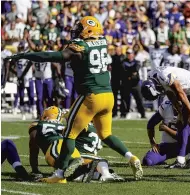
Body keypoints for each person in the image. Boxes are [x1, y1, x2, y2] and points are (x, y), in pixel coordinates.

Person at [6, 16, 143, 183]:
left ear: (88, 30)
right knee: (106, 134)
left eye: (80, 28)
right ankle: (132, 158)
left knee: (69, 135)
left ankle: (59, 175)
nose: (77, 31)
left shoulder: (80, 46)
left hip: (91, 96)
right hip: (109, 96)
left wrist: (28, 56)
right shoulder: (102, 41)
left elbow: (56, 56)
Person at [141, 66, 190, 168]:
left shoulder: (164, 76)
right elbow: (170, 94)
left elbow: (180, 92)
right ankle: (180, 160)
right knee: (184, 124)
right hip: (189, 95)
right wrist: (180, 112)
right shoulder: (151, 76)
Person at [28, 107, 124, 182]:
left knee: (60, 163)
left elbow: (33, 146)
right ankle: (98, 174)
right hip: (73, 149)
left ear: (45, 116)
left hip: (55, 147)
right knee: (85, 162)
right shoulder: (63, 126)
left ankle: (71, 171)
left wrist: (35, 169)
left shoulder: (38, 124)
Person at [143, 97, 190, 167]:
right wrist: (153, 142)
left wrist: (166, 129)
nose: (179, 107)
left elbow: (183, 138)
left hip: (184, 147)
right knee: (147, 161)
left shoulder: (189, 112)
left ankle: (186, 160)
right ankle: (160, 159)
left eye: (181, 104)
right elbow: (151, 124)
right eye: (177, 104)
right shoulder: (166, 108)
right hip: (167, 145)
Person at [9, 41, 35, 120]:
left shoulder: (28, 55)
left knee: (31, 95)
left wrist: (21, 75)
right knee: (21, 96)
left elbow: (30, 64)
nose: (21, 49)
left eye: (22, 47)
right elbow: (10, 66)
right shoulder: (16, 56)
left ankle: (33, 111)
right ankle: (23, 113)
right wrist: (17, 74)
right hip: (21, 78)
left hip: (28, 77)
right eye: (20, 47)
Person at [120, 48, 146, 119]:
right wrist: (131, 73)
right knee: (126, 99)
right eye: (128, 53)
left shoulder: (137, 62)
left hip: (135, 84)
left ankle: (142, 113)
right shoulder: (123, 62)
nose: (129, 55)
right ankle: (124, 113)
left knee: (139, 99)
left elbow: (136, 69)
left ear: (133, 54)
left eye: (130, 53)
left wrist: (129, 73)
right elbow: (123, 71)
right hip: (126, 83)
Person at [109, 46, 125, 118]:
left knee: (123, 97)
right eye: (116, 50)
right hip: (114, 79)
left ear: (121, 50)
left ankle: (123, 113)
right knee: (114, 97)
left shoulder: (124, 57)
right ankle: (114, 112)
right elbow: (109, 67)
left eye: (119, 50)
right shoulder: (112, 57)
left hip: (122, 79)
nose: (117, 51)